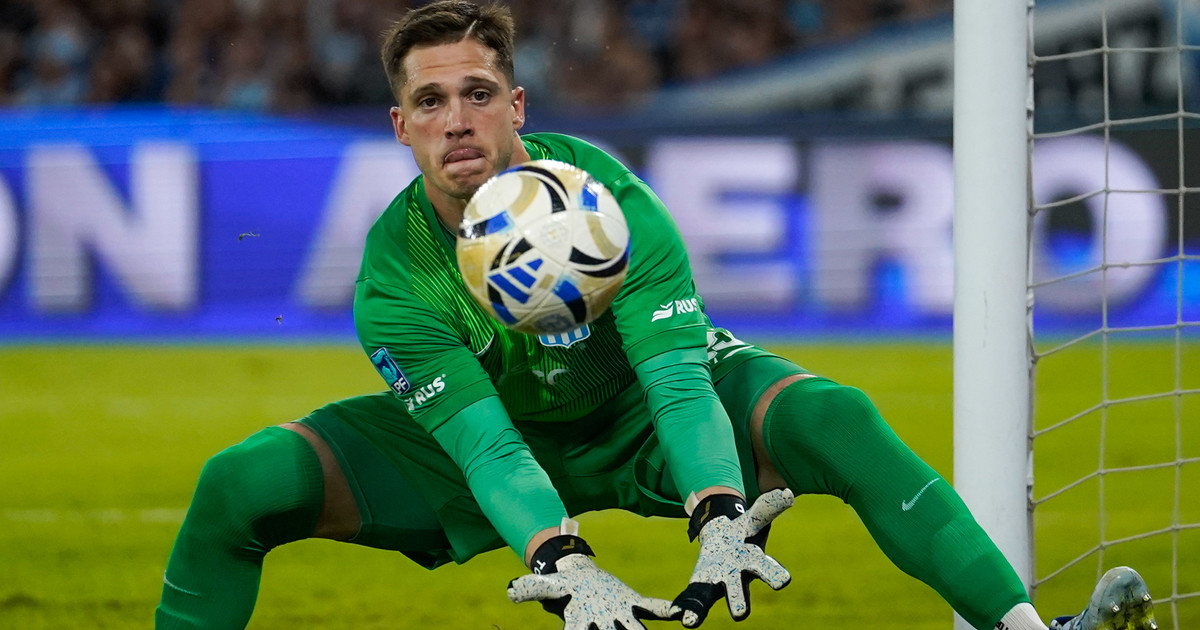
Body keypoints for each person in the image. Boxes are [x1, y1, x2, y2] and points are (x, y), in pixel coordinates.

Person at [154, 3, 1160, 630]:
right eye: (430, 102)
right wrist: (561, 561)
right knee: (242, 485)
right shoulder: (394, 278)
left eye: (478, 94)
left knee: (836, 417)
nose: (456, 119)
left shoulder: (612, 206)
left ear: (517, 106)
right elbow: (485, 446)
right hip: (493, 442)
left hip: (638, 409)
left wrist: (717, 511)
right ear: (400, 125)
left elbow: (677, 379)